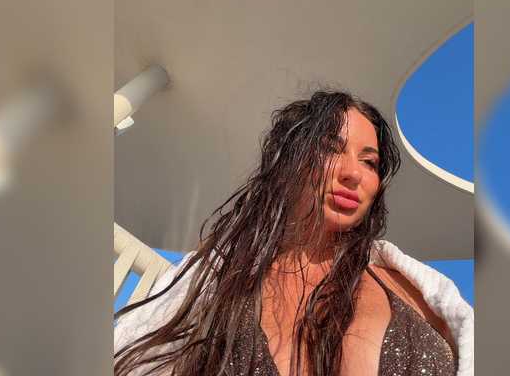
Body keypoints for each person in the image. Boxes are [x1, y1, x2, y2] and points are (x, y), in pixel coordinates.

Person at [114, 90, 473, 376]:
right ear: (289, 161)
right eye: (331, 148)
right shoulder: (220, 284)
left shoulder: (409, 290)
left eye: (370, 162)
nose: (354, 174)